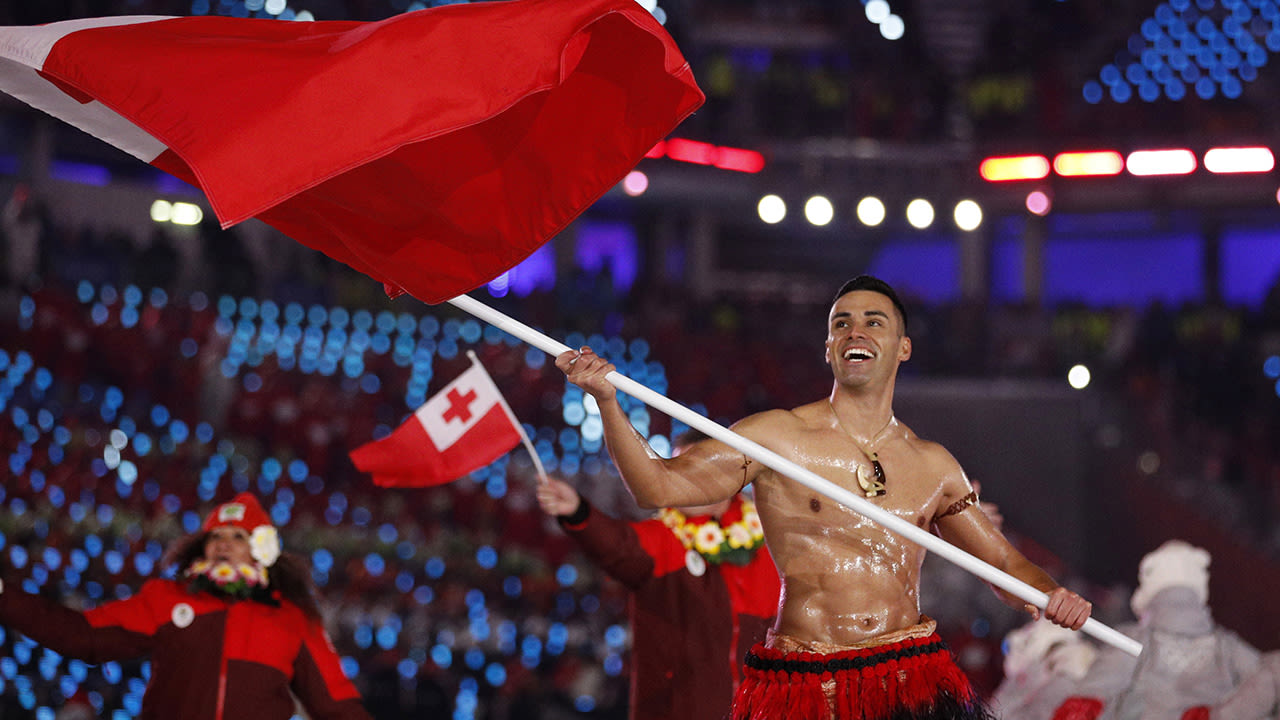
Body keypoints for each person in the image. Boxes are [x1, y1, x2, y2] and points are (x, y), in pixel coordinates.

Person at [555, 274, 1094, 720]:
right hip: (805, 682)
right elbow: (659, 486)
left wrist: (1050, 597)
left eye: (872, 321)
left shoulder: (933, 464)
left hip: (909, 678)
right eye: (842, 323)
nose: (854, 330)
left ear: (903, 347)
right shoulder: (776, 437)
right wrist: (608, 401)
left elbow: (1000, 564)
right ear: (829, 347)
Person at [0, 492, 372, 720]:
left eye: (237, 537)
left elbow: (337, 708)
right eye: (215, 537)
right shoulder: (167, 599)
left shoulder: (292, 620)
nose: (222, 545)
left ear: (262, 549)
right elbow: (83, 636)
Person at [535, 429, 781, 720]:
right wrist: (577, 511)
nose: (685, 480)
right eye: (677, 470)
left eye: (699, 469)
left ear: (730, 476)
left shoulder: (771, 540)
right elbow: (618, 546)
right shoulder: (664, 538)